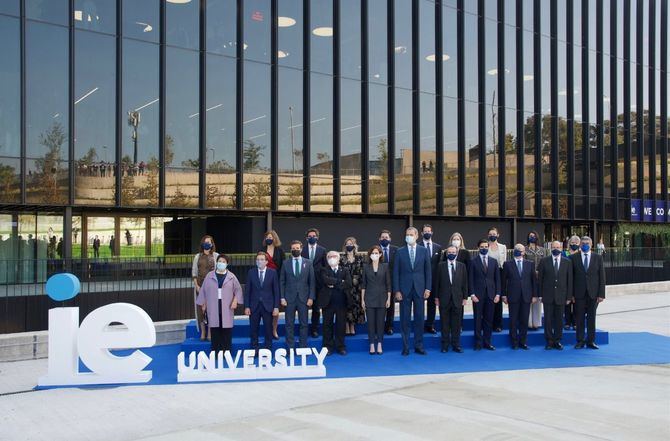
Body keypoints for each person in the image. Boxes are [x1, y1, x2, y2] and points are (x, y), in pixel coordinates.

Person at [392, 227, 432, 356]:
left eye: (411, 234)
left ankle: (419, 345)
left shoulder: (424, 251)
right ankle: (405, 346)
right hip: (404, 290)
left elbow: (428, 271)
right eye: (407, 234)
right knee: (405, 319)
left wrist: (428, 288)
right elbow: (396, 273)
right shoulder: (400, 252)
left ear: (416, 236)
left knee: (419, 318)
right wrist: (397, 290)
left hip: (420, 289)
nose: (408, 236)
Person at [196, 254, 243, 354]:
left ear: (227, 264)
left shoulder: (231, 276)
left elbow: (238, 290)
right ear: (216, 263)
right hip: (213, 305)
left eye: (223, 262)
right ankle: (215, 352)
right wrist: (203, 303)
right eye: (220, 261)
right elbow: (204, 290)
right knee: (215, 330)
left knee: (226, 330)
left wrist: (235, 301)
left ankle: (227, 352)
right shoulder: (210, 275)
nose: (221, 263)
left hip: (227, 306)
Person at [280, 240, 316, 349]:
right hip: (289, 298)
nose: (295, 250)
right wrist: (282, 297)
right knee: (289, 324)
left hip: (304, 298)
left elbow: (312, 282)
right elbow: (282, 281)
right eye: (293, 248)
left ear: (301, 249)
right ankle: (290, 347)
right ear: (290, 250)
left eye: (297, 248)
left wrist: (311, 297)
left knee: (304, 324)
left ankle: (302, 347)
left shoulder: (308, 263)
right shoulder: (285, 263)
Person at [538, 241, 573, 350]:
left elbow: (569, 281)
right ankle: (549, 341)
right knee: (548, 320)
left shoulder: (567, 262)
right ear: (550, 248)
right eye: (554, 247)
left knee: (559, 320)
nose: (556, 249)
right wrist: (540, 295)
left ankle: (557, 340)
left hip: (561, 296)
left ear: (561, 248)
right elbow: (540, 280)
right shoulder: (544, 261)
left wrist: (568, 297)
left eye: (558, 247)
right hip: (547, 296)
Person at [501, 244, 537, 350]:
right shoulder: (507, 264)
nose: (518, 251)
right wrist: (504, 295)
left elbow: (534, 281)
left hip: (526, 296)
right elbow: (504, 282)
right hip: (513, 296)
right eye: (516, 250)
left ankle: (523, 341)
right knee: (513, 320)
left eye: (520, 250)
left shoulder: (530, 264)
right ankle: (514, 342)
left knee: (524, 320)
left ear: (524, 252)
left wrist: (535, 295)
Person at [572, 236, 606, 349]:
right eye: (583, 243)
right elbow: (571, 278)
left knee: (592, 318)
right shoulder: (574, 258)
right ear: (580, 245)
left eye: (587, 243)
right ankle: (580, 341)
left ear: (591, 245)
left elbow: (602, 277)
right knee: (579, 318)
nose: (585, 244)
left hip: (593, 293)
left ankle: (591, 341)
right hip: (579, 293)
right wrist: (571, 294)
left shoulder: (598, 258)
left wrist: (601, 294)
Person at [433, 245, 468, 353]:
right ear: (446, 254)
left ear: (457, 253)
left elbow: (465, 283)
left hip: (457, 299)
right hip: (444, 299)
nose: (452, 254)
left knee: (456, 324)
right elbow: (436, 283)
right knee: (444, 324)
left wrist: (465, 297)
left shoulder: (462, 266)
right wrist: (436, 297)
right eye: (449, 252)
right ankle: (445, 345)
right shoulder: (440, 266)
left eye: (454, 252)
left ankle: (456, 345)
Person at [244, 252, 280, 355]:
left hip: (268, 306)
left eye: (262, 259)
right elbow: (248, 291)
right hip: (254, 305)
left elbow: (276, 291)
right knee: (253, 329)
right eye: (258, 259)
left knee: (268, 329)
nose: (259, 261)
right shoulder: (251, 272)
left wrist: (276, 307)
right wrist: (247, 306)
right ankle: (254, 350)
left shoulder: (272, 272)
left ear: (266, 262)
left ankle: (268, 350)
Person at [469, 239, 501, 350]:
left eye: (486, 246)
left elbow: (497, 279)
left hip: (491, 295)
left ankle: (487, 342)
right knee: (477, 319)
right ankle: (477, 343)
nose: (484, 248)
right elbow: (471, 279)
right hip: (478, 296)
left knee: (489, 320)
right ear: (478, 248)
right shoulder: (473, 261)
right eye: (482, 246)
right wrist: (472, 294)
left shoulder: (494, 261)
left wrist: (497, 294)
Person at [319, 251, 353, 355]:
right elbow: (325, 280)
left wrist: (333, 283)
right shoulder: (323, 269)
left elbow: (348, 283)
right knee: (327, 325)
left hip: (341, 302)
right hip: (328, 303)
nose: (332, 258)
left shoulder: (345, 270)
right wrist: (340, 281)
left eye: (334, 256)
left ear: (338, 259)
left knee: (341, 325)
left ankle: (340, 347)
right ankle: (328, 347)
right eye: (329, 256)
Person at [361, 245, 391, 355]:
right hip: (369, 297)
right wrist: (362, 300)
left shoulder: (385, 266)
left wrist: (388, 298)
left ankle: (379, 344)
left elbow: (388, 284)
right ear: (370, 255)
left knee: (380, 323)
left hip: (382, 298)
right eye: (372, 253)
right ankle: (372, 344)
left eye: (376, 253)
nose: (374, 255)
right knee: (371, 323)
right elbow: (363, 284)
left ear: (380, 254)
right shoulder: (366, 267)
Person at [191, 235, 219, 341]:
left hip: (213, 287)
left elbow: (218, 272)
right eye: (205, 242)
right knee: (200, 310)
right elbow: (194, 272)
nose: (207, 244)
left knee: (212, 309)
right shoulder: (197, 256)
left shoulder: (216, 256)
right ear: (202, 243)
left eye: (209, 242)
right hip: (200, 286)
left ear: (212, 244)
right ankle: (203, 332)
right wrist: (196, 285)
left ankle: (210, 333)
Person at [302, 228, 327, 338]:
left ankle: (314, 329)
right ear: (307, 238)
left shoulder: (322, 250)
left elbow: (325, 266)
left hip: (318, 283)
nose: (312, 237)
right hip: (304, 282)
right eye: (310, 236)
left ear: (317, 237)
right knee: (304, 307)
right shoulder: (302, 250)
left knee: (316, 308)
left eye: (314, 235)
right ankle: (304, 328)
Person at [417, 224, 442, 334]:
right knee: (420, 304)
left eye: (429, 231)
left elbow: (440, 264)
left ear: (432, 233)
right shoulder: (417, 246)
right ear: (422, 233)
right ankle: (420, 325)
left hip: (434, 280)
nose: (427, 233)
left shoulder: (438, 247)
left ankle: (430, 325)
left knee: (432, 304)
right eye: (425, 231)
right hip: (421, 281)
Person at [261, 230, 285, 340]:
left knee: (275, 307)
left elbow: (283, 267)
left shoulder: (280, 251)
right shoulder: (261, 250)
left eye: (270, 237)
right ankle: (267, 330)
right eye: (267, 237)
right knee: (265, 307)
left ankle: (274, 330)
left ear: (275, 238)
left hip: (276, 281)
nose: (269, 239)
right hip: (264, 282)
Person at [340, 237, 365, 336]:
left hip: (356, 286)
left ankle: (352, 326)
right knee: (346, 306)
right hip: (345, 286)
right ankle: (346, 326)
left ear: (355, 245)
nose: (349, 245)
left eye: (351, 243)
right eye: (347, 244)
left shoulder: (360, 258)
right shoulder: (341, 258)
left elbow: (363, 272)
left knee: (355, 305)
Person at [486, 227, 507, 333]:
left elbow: (505, 262)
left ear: (498, 235)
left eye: (494, 234)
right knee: (489, 298)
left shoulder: (503, 247)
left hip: (500, 272)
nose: (492, 235)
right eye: (490, 234)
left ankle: (498, 324)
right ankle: (488, 323)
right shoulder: (486, 246)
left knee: (498, 299)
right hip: (488, 274)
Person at [379, 229, 399, 335]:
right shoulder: (376, 250)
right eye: (382, 237)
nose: (384, 239)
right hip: (379, 284)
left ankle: (390, 327)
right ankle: (380, 327)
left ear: (390, 239)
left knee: (391, 306)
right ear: (379, 239)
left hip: (392, 283)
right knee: (381, 306)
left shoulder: (396, 250)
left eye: (386, 237)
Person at [525, 230, 545, 330]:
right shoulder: (525, 249)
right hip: (528, 277)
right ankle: (528, 322)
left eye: (533, 236)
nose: (531, 237)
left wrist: (540, 272)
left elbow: (545, 262)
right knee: (528, 299)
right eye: (530, 236)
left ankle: (536, 322)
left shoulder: (542, 250)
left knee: (537, 299)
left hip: (539, 277)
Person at [564, 235, 581, 330]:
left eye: (576, 243)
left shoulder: (580, 254)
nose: (574, 244)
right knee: (567, 302)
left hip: (577, 281)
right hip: (566, 280)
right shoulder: (564, 253)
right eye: (572, 243)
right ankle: (567, 322)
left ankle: (575, 322)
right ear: (569, 243)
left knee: (576, 303)